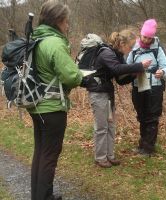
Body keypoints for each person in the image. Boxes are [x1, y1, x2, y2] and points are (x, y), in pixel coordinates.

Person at [27, 1, 83, 200]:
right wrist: (81, 75)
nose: (68, 25)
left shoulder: (36, 38)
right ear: (58, 21)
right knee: (50, 155)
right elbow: (71, 77)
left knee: (41, 152)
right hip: (52, 108)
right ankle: (44, 197)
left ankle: (40, 195)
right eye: (66, 21)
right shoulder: (55, 43)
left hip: (36, 105)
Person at [84, 30, 151, 168]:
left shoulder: (117, 54)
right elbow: (117, 69)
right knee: (102, 127)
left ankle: (110, 156)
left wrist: (135, 73)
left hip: (107, 93)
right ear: (122, 43)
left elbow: (120, 79)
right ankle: (100, 158)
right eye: (130, 47)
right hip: (98, 93)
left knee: (110, 126)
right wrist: (139, 66)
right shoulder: (106, 53)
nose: (130, 50)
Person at [127, 19, 166, 156]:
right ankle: (142, 145)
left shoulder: (158, 48)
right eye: (144, 37)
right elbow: (126, 66)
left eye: (149, 38)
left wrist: (162, 72)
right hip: (138, 86)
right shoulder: (133, 48)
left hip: (155, 88)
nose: (146, 40)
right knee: (142, 116)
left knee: (152, 117)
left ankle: (148, 148)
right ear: (140, 34)